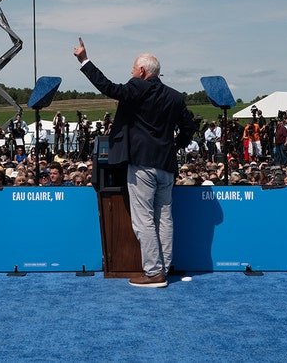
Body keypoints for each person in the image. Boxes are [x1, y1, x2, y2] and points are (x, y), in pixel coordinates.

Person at [73, 37, 196, 288]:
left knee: (144, 220)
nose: (131, 71)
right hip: (166, 165)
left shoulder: (138, 87)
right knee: (164, 218)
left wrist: (84, 60)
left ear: (142, 71)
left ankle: (153, 272)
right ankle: (165, 266)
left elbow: (109, 88)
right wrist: (175, 145)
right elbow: (189, 127)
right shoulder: (175, 96)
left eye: (132, 68)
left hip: (142, 164)